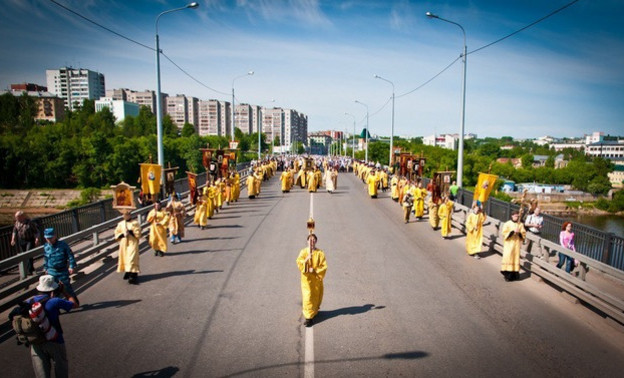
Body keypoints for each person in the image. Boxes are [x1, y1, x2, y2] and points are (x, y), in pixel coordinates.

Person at [9, 275, 78, 378]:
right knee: (61, 370)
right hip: (55, 340)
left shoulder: (29, 303)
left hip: (36, 342)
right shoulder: (54, 301)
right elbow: (74, 304)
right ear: (53, 289)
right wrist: (64, 291)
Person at [296, 234, 327, 327]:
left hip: (316, 279)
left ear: (316, 242)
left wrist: (314, 270)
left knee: (316, 296)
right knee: (308, 297)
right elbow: (299, 262)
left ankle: (314, 311)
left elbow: (323, 266)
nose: (312, 242)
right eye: (310, 240)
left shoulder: (320, 253)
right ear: (307, 241)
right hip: (307, 280)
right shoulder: (303, 252)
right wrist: (306, 260)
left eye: (314, 240)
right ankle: (308, 318)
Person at [42, 228, 79, 305]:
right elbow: (46, 258)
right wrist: (45, 268)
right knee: (53, 290)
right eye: (47, 238)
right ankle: (56, 307)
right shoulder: (46, 246)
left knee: (67, 288)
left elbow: (70, 255)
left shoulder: (63, 245)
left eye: (51, 238)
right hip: (51, 271)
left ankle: (75, 304)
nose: (49, 240)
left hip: (62, 271)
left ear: (55, 236)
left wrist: (71, 266)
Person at [114, 211, 141, 284]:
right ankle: (128, 271)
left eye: (127, 214)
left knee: (132, 258)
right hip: (124, 244)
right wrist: (123, 234)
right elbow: (116, 233)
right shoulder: (121, 224)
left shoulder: (135, 223)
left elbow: (138, 234)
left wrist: (130, 232)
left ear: (130, 215)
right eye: (124, 214)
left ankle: (133, 275)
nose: (125, 216)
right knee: (126, 258)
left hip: (132, 243)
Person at [11, 211, 41, 275]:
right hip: (22, 240)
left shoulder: (30, 222)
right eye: (16, 217)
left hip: (29, 240)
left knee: (28, 254)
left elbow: (36, 231)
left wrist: (37, 239)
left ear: (22, 216)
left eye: (17, 217)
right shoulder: (17, 223)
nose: (16, 218)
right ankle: (31, 267)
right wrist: (13, 239)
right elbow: (14, 231)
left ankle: (29, 270)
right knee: (24, 255)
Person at [500, 211, 526, 282]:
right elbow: (504, 233)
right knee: (508, 258)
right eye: (515, 216)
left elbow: (523, 234)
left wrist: (519, 233)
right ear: (512, 216)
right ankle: (507, 275)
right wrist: (512, 232)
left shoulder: (520, 224)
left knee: (515, 259)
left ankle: (514, 274)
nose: (516, 217)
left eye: (517, 216)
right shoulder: (507, 223)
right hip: (509, 244)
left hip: (516, 245)